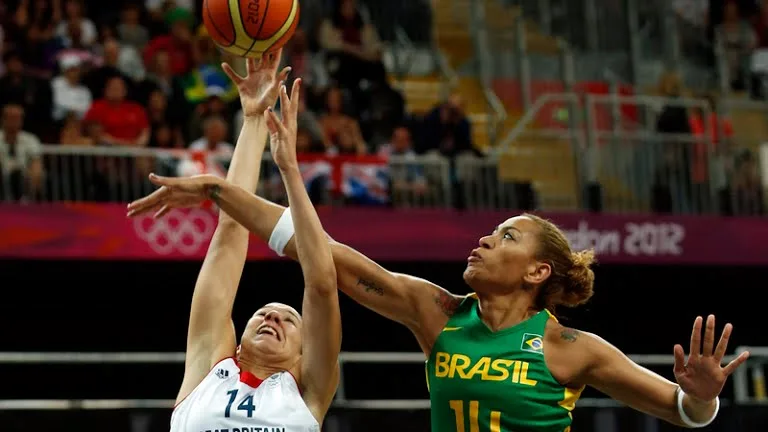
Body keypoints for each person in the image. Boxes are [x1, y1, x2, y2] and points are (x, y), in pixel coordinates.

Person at [128, 185, 749, 429]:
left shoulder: (569, 350)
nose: (484, 238)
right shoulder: (439, 313)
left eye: (506, 236)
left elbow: (682, 412)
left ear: (538, 271)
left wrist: (702, 394)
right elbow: (330, 258)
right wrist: (220, 194)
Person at [149, 52, 340, 432]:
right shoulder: (209, 366)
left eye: (289, 320)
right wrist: (253, 119)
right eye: (264, 314)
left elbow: (321, 282)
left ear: (304, 355)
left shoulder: (308, 391)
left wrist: (288, 169)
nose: (272, 317)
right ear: (236, 342)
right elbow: (230, 231)